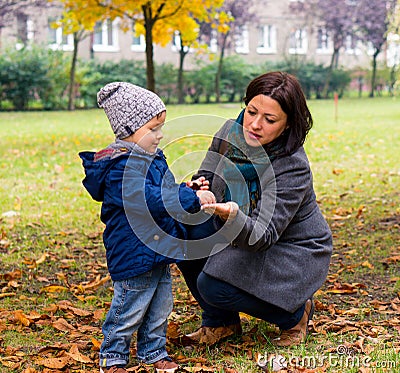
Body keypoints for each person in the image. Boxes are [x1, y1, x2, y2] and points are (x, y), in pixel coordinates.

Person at [178, 71, 333, 347]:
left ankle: (295, 315)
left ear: (287, 125)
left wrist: (233, 215)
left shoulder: (291, 164)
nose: (254, 124)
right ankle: (220, 322)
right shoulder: (229, 132)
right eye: (251, 111)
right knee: (184, 230)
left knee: (213, 285)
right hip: (240, 231)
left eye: (269, 119)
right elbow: (208, 176)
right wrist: (199, 189)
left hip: (290, 249)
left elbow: (263, 235)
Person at [79, 82, 215, 373]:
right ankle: (112, 357)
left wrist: (186, 188)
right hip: (133, 252)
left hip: (158, 249)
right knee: (129, 307)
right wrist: (192, 198)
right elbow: (151, 199)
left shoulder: (152, 159)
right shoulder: (120, 167)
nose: (160, 135)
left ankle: (153, 352)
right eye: (153, 129)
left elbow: (164, 190)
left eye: (161, 127)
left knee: (160, 306)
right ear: (129, 128)